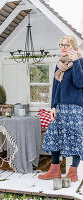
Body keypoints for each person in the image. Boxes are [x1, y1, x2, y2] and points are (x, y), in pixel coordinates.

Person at [38, 35, 83, 182]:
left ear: (74, 48)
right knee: (53, 136)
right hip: (60, 108)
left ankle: (73, 172)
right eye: (61, 44)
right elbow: (55, 88)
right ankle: (55, 170)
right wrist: (53, 106)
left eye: (67, 45)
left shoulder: (80, 62)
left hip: (75, 108)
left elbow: (79, 83)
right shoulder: (59, 65)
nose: (63, 47)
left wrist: (76, 61)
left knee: (76, 139)